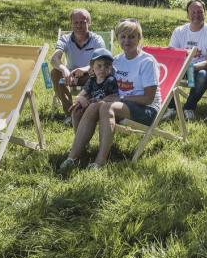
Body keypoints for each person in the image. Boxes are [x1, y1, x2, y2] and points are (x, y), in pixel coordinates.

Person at [58, 19, 161, 172]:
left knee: (106, 108)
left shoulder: (146, 61)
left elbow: (148, 98)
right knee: (84, 107)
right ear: (118, 38)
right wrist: (83, 97)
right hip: (119, 103)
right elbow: (99, 83)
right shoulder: (116, 61)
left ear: (139, 38)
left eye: (132, 36)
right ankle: (73, 157)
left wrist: (119, 99)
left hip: (146, 109)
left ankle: (100, 161)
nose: (127, 40)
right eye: (123, 36)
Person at [164, 0, 207, 121]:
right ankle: (172, 108)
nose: (196, 15)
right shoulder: (179, 31)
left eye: (200, 12)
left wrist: (189, 67)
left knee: (202, 74)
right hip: (185, 71)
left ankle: (188, 108)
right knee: (164, 70)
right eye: (193, 12)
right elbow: (172, 55)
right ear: (187, 14)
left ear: (205, 13)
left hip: (206, 72)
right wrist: (186, 63)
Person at [50, 8, 106, 124]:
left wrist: (85, 69)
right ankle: (70, 114)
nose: (79, 25)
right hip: (70, 76)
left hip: (90, 75)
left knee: (97, 74)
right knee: (55, 72)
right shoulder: (65, 39)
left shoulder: (97, 40)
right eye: (76, 22)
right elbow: (54, 59)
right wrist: (63, 68)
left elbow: (102, 62)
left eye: (83, 22)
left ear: (88, 23)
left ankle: (84, 111)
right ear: (71, 24)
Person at [68, 48, 118, 129]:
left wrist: (94, 101)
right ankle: (79, 137)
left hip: (103, 109)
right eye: (99, 65)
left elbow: (113, 97)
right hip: (90, 107)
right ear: (92, 67)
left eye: (107, 66)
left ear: (111, 67)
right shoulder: (92, 80)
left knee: (88, 109)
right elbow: (80, 95)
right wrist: (80, 99)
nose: (102, 68)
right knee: (76, 110)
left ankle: (82, 138)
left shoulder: (110, 80)